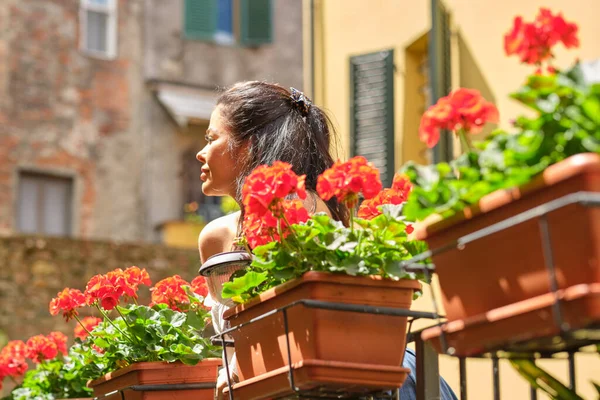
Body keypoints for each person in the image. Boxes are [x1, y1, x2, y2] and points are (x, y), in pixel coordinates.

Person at [196, 81, 456, 399]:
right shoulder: (215, 236)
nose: (201, 152)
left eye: (211, 139)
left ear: (248, 145)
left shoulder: (300, 205)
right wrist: (231, 371)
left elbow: (306, 327)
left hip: (359, 382)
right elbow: (237, 342)